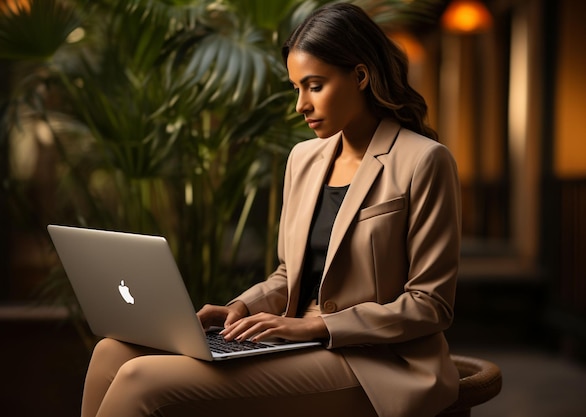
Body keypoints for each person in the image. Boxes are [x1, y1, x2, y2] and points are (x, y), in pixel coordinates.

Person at [80, 3, 462, 417]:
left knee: (141, 381)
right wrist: (241, 307)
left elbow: (430, 304)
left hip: (377, 361)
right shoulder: (303, 158)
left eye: (314, 86)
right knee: (112, 351)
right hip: (293, 339)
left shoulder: (424, 160)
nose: (301, 104)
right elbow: (287, 274)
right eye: (296, 88)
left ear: (360, 76)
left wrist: (316, 325)